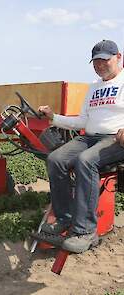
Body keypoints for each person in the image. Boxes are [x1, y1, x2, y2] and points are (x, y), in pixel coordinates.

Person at [37, 40, 124, 253]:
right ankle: (65, 218)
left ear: (118, 57)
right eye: (96, 61)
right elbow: (82, 121)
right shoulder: (93, 88)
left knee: (85, 160)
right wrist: (53, 117)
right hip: (90, 137)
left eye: (105, 59)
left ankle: (85, 231)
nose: (100, 65)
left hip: (115, 139)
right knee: (55, 159)